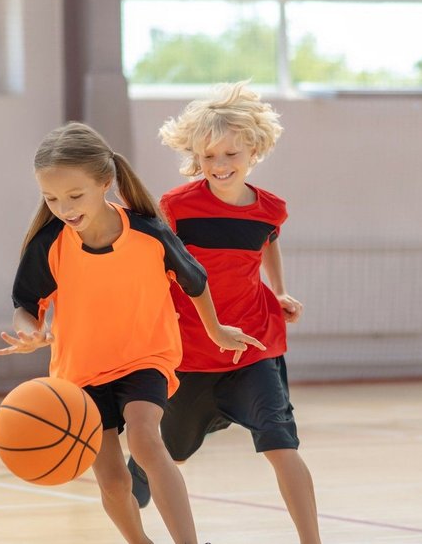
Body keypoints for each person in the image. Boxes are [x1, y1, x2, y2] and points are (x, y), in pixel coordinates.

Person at [0, 122, 264, 544]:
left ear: (105, 182)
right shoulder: (50, 244)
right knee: (113, 480)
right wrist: (30, 332)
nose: (64, 207)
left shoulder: (147, 233)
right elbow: (24, 305)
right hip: (80, 374)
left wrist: (217, 331)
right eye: (51, 198)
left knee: (145, 440)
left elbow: (195, 281)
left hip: (144, 358)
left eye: (74, 195)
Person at [128, 82, 322, 543]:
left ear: (253, 150)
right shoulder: (175, 207)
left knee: (282, 445)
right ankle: (129, 519)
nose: (219, 165)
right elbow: (156, 269)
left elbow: (268, 246)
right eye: (209, 156)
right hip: (190, 356)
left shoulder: (271, 209)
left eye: (230, 155)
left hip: (255, 349)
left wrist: (279, 291)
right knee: (157, 461)